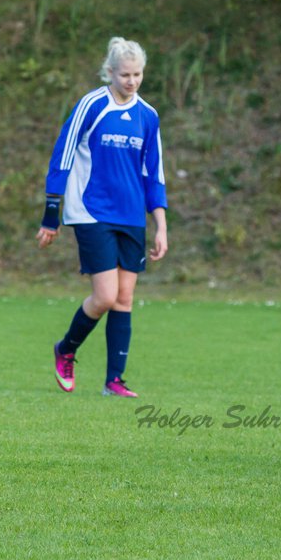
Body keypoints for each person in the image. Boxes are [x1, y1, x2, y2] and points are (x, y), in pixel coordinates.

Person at [37, 37, 167, 397]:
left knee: (125, 298)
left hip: (131, 216)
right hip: (90, 210)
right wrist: (52, 211)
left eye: (137, 74)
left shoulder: (148, 116)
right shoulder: (91, 105)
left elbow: (153, 173)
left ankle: (114, 381)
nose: (131, 81)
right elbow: (63, 154)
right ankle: (66, 348)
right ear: (110, 72)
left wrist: (161, 225)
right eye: (125, 74)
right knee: (106, 295)